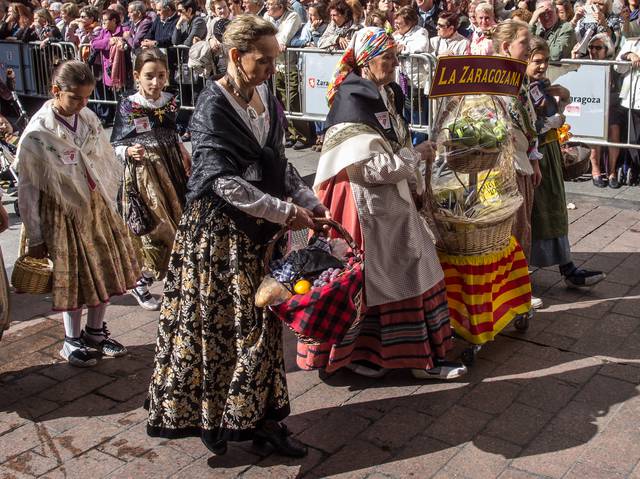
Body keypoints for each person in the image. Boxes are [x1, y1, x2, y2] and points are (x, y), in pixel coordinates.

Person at [146, 14, 327, 458]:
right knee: (225, 329)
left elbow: (277, 164)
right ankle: (221, 418)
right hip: (219, 237)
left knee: (262, 327)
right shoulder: (212, 106)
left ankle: (263, 418)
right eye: (263, 61)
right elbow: (223, 182)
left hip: (261, 232)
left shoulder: (267, 95)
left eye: (275, 61)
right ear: (235, 56)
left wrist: (311, 200)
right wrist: (287, 212)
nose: (271, 70)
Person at [297, 27, 467, 380]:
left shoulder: (383, 93)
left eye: (394, 56)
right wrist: (413, 155)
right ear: (366, 61)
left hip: (388, 198)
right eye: (386, 57)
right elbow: (368, 167)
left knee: (400, 269)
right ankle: (399, 358)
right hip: (366, 203)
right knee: (386, 273)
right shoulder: (353, 101)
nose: (393, 64)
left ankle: (393, 355)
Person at [16, 60, 140, 367]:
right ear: (56, 91)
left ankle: (95, 331)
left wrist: (112, 197)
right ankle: (71, 340)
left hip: (95, 205)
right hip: (61, 213)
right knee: (72, 276)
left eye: (87, 97)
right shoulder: (38, 133)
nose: (82, 103)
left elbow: (102, 156)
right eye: (75, 97)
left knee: (104, 268)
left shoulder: (87, 117)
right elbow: (28, 187)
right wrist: (35, 234)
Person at [111, 48, 190, 311]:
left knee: (180, 223)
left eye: (161, 75)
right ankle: (141, 282)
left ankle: (175, 279)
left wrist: (181, 148)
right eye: (149, 76)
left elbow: (171, 130)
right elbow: (117, 142)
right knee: (156, 227)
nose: (156, 82)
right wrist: (127, 150)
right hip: (146, 173)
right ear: (136, 77)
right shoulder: (128, 104)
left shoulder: (169, 100)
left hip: (172, 168)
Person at [527, 37, 606, 288]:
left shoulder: (542, 84)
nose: (542, 66)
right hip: (532, 156)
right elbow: (528, 126)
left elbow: (552, 112)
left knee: (555, 206)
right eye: (537, 61)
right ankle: (524, 271)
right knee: (535, 213)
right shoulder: (522, 89)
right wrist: (551, 119)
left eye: (546, 61)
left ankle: (567, 266)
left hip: (548, 152)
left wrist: (562, 100)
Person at [573, 33, 622, 188]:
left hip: (610, 106)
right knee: (596, 134)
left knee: (614, 131)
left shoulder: (613, 64)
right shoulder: (584, 63)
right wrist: (575, 59)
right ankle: (596, 170)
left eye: (598, 48)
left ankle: (612, 172)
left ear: (606, 50)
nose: (593, 51)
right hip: (591, 107)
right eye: (591, 47)